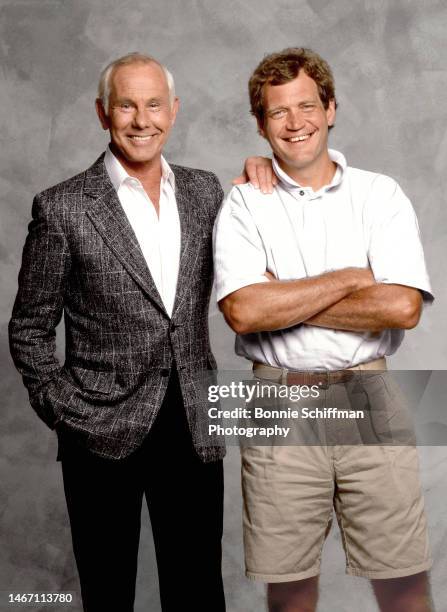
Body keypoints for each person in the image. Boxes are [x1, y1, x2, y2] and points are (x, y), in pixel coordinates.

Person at [8, 51, 268, 612]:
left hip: (194, 426)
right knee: (108, 592)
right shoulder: (63, 208)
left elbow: (254, 271)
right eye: (126, 104)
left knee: (198, 591)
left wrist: (262, 171)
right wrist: (66, 412)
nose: (141, 119)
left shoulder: (206, 194)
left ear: (173, 111)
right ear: (103, 113)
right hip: (99, 430)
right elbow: (29, 329)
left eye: (154, 104)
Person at [214, 48, 434, 612]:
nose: (296, 123)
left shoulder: (379, 194)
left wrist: (282, 293)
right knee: (288, 589)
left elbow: (403, 306)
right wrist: (351, 280)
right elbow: (243, 313)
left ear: (331, 108)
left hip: (369, 396)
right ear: (261, 124)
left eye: (307, 105)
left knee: (404, 581)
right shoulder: (243, 202)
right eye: (279, 112)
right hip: (279, 398)